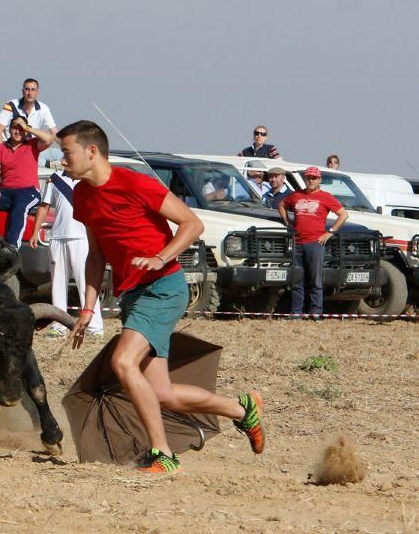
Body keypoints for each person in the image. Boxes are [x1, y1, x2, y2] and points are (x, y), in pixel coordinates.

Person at [58, 119, 265, 474]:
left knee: (123, 363)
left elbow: (192, 224)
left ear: (91, 151)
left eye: (67, 153)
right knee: (163, 394)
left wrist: (160, 257)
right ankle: (241, 408)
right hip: (133, 296)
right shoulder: (82, 196)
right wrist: (88, 308)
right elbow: (96, 255)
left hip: (164, 287)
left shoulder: (136, 183)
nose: (62, 161)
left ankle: (163, 454)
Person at [29, 169, 105, 339]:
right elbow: (44, 206)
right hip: (57, 236)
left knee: (86, 281)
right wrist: (35, 232)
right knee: (57, 283)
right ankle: (59, 325)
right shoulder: (55, 178)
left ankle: (94, 326)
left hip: (82, 236)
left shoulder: (88, 177)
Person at [279, 166, 348, 318]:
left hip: (315, 243)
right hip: (297, 243)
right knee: (297, 280)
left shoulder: (326, 197)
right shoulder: (296, 195)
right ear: (305, 179)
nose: (311, 180)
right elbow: (282, 205)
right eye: (308, 177)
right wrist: (287, 222)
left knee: (315, 280)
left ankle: (316, 312)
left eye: (314, 178)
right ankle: (296, 313)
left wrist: (330, 232)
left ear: (319, 180)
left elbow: (343, 215)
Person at [0, 115, 54, 248]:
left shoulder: (32, 144)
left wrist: (27, 127)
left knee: (19, 207)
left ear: (25, 130)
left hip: (28, 191)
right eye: (14, 128)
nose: (17, 131)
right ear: (9, 130)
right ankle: (15, 209)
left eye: (20, 128)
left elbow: (50, 138)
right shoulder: (1, 148)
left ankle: (12, 247)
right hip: (7, 191)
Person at [0, 78, 58, 167]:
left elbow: (55, 133)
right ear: (23, 92)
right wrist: (2, 154)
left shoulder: (44, 108)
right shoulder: (11, 105)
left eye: (33, 90)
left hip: (29, 150)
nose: (30, 93)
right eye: (27, 89)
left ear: (37, 92)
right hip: (9, 148)